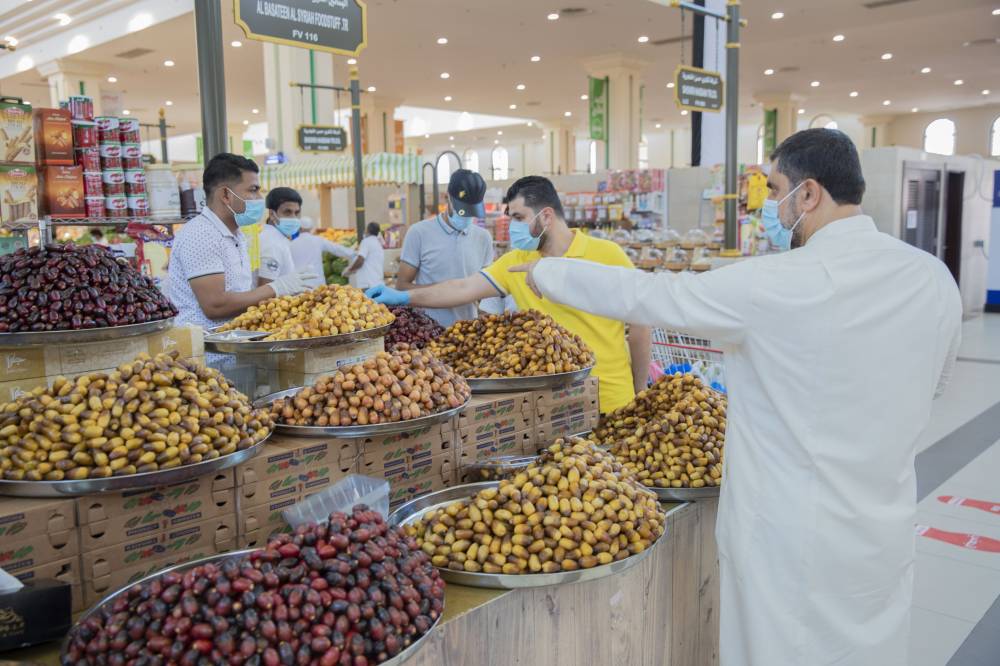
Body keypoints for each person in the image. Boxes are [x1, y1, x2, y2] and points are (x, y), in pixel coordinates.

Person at [511, 130, 963, 665]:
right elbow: (936, 385)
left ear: (809, 194)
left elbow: (656, 296)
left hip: (788, 535)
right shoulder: (932, 278)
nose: (770, 206)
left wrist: (549, 271)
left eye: (775, 191)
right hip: (880, 529)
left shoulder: (778, 283)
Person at [367, 175, 652, 413]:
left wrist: (640, 392)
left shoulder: (607, 255)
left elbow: (640, 327)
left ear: (547, 216)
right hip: (548, 406)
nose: (514, 226)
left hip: (611, 400)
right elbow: (463, 288)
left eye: (518, 217)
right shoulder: (516, 261)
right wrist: (404, 297)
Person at [167, 153, 316, 329]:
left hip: (233, 346)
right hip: (208, 353)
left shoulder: (236, 235)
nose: (260, 198)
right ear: (225, 195)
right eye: (253, 190)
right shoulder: (200, 234)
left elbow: (240, 295)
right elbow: (215, 305)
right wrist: (276, 288)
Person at [395, 169, 495, 327]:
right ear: (447, 196)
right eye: (462, 211)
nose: (466, 217)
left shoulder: (483, 238)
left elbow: (485, 290)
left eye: (471, 212)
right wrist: (447, 291)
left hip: (469, 334)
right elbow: (402, 286)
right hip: (428, 331)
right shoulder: (419, 233)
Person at [290, 216, 357, 289]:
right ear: (311, 228)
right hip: (316, 281)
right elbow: (336, 249)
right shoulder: (318, 240)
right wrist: (353, 253)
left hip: (299, 282)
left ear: (299, 228)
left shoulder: (292, 244)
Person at [258, 186, 301, 285]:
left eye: (297, 213)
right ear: (272, 214)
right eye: (287, 212)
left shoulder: (275, 238)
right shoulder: (272, 243)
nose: (293, 218)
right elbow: (265, 290)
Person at [344, 222, 386, 291]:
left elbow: (360, 260)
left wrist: (350, 270)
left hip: (368, 284)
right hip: (377, 283)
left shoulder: (366, 241)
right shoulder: (378, 243)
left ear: (367, 230)